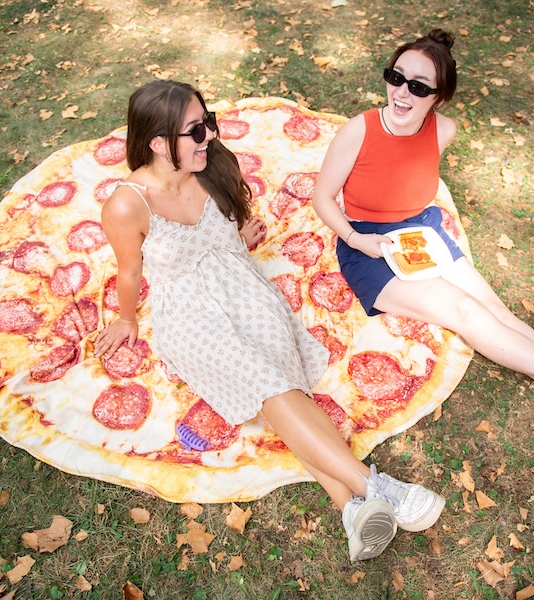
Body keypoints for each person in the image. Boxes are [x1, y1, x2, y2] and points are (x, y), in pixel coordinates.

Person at [93, 80, 445, 561]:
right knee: (267, 384)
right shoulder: (127, 203)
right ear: (157, 143)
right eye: (195, 131)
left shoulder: (209, 166)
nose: (210, 137)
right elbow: (130, 271)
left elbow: (217, 229)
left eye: (209, 123)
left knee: (286, 391)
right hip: (190, 318)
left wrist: (235, 238)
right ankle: (380, 488)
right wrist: (126, 319)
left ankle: (352, 510)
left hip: (246, 291)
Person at [312, 29, 534, 444]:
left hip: (421, 233)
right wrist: (356, 240)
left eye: (419, 86)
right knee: (464, 311)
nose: (402, 93)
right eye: (396, 77)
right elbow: (321, 197)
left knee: (496, 310)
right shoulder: (359, 130)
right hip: (369, 248)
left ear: (439, 97)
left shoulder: (444, 130)